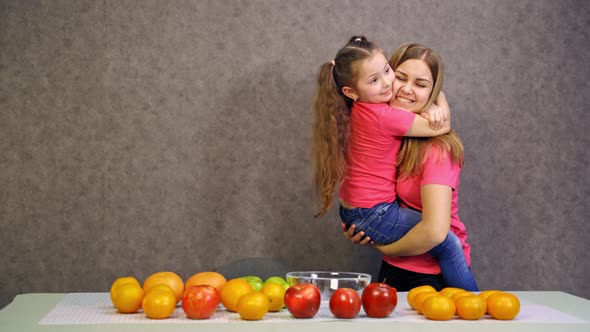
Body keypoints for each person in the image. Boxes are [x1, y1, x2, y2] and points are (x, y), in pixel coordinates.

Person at [312, 36, 478, 291]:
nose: (394, 85)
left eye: (421, 84)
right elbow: (440, 123)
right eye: (400, 76)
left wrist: (379, 244)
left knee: (449, 244)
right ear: (352, 91)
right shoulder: (386, 118)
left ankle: (475, 303)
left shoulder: (434, 148)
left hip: (431, 275)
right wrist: (437, 101)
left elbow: (435, 232)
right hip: (386, 249)